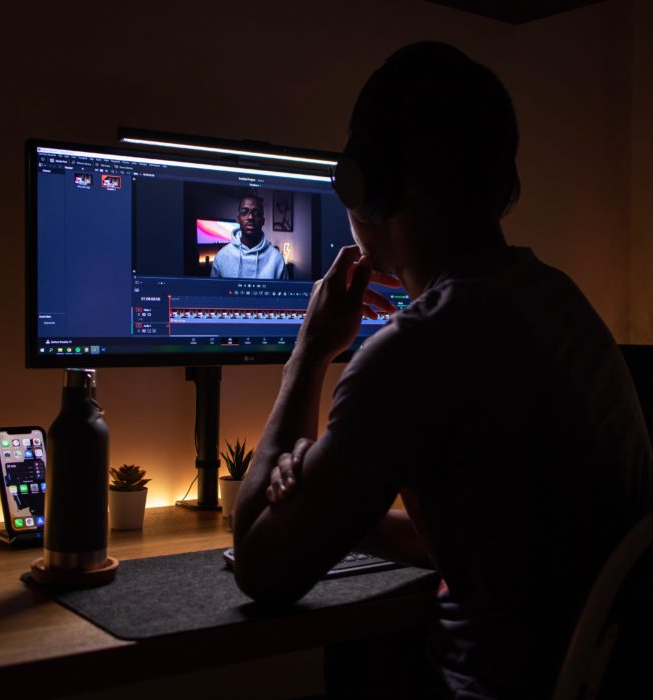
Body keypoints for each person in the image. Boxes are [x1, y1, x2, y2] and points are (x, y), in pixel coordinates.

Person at [232, 42, 653, 699]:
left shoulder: (414, 350)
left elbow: (258, 566)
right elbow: (509, 542)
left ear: (366, 186)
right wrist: (342, 503)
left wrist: (311, 351)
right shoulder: (558, 300)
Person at [210, 195, 288, 279]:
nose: (250, 217)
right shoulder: (222, 257)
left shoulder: (277, 259)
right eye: (244, 211)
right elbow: (214, 291)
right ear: (238, 219)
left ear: (263, 221)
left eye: (256, 213)